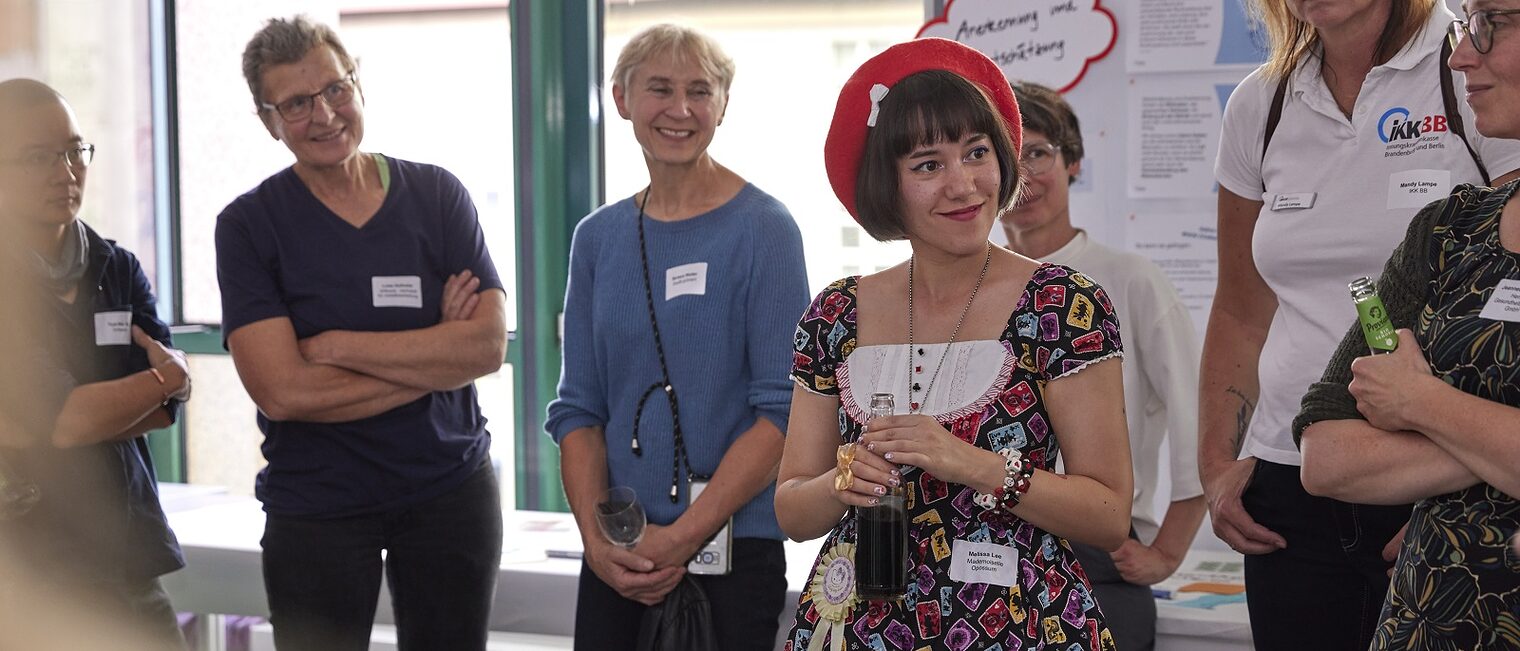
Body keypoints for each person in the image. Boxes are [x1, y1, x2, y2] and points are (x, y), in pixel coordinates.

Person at [776, 38, 1133, 651]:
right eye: (927, 165)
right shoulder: (836, 314)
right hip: (864, 624)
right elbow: (791, 510)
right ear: (886, 185)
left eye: (976, 153)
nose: (964, 185)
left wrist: (974, 464)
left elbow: (1107, 513)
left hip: (1023, 625)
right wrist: (843, 481)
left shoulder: (1061, 306)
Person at [1207, 0, 1520, 647]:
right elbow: (1240, 305)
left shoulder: (1463, 72)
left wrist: (1441, 482)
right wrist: (1215, 464)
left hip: (1429, 483)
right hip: (1296, 473)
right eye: (1477, 28)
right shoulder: (1260, 105)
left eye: (1495, 25)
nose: (1473, 51)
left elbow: (1498, 324)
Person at [215, 16, 506, 651]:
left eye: (334, 90)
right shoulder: (248, 227)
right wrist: (434, 353)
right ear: (269, 120)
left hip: (448, 491)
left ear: (358, 86)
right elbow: (285, 393)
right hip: (318, 506)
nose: (324, 115)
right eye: (296, 103)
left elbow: (485, 347)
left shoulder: (437, 195)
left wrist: (337, 347)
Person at [544, 24, 809, 651]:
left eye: (701, 91)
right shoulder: (596, 239)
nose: (681, 109)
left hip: (735, 550)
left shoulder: (765, 231)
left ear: (723, 105)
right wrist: (596, 541)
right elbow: (579, 410)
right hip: (619, 550)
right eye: (660, 88)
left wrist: (685, 533)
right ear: (621, 99)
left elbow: (782, 412)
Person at [1001, 80, 1205, 651]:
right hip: (982, 554)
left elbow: (1201, 419)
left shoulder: (1128, 281)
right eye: (1004, 154)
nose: (1024, 174)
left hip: (1095, 557)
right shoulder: (964, 291)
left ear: (1074, 165)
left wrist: (1168, 550)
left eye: (1039, 152)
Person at [0, 78, 190, 651]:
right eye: (39, 157)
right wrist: (165, 377)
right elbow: (69, 419)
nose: (66, 171)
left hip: (128, 549)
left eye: (75, 150)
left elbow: (162, 413)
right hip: (35, 566)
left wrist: (159, 391)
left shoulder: (115, 266)